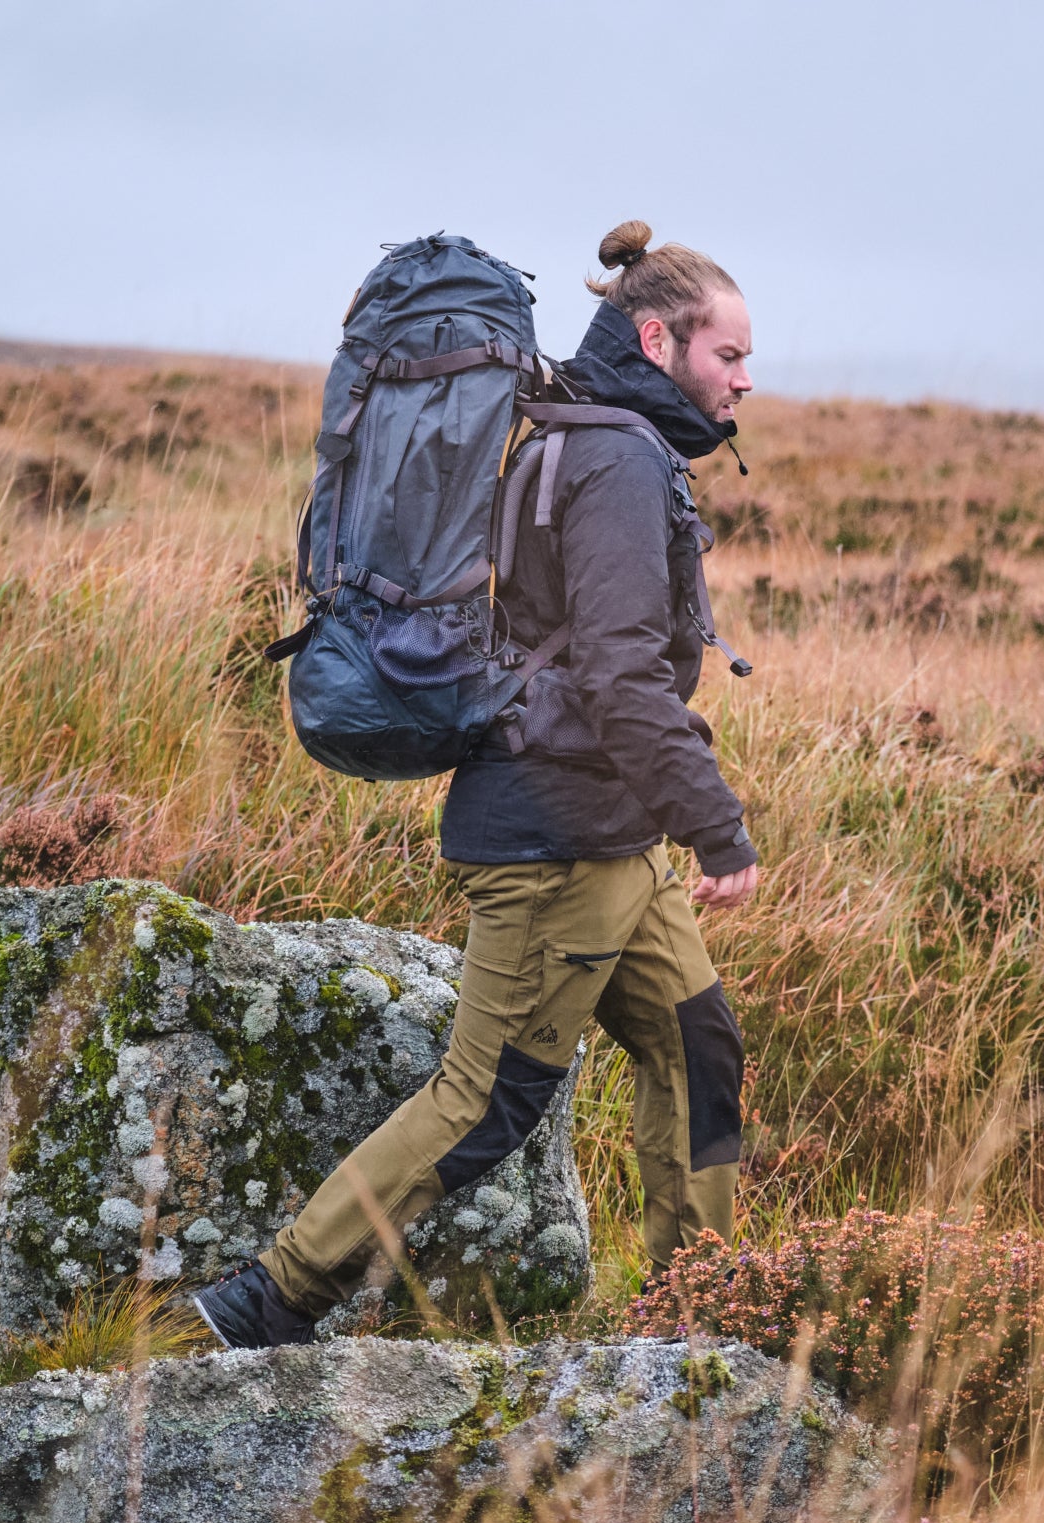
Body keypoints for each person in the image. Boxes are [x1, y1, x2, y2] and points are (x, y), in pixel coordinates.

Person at [196, 221, 762, 1348]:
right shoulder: (617, 459)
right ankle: (266, 1300)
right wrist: (719, 829)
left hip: (610, 835)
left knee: (696, 1044)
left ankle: (698, 1320)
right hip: (554, 837)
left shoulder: (585, 433)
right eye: (728, 355)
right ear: (657, 339)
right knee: (487, 1101)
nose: (747, 379)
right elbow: (615, 671)